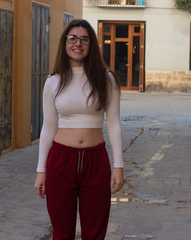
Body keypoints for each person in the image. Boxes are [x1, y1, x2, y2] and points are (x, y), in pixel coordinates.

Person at [34, 19, 124, 240]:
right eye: (72, 38)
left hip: (96, 162)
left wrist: (119, 165)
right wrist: (41, 170)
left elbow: (113, 123)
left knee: (95, 232)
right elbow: (48, 127)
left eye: (84, 39)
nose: (78, 44)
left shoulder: (106, 79)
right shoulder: (53, 82)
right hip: (60, 161)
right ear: (65, 43)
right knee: (62, 232)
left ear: (91, 44)